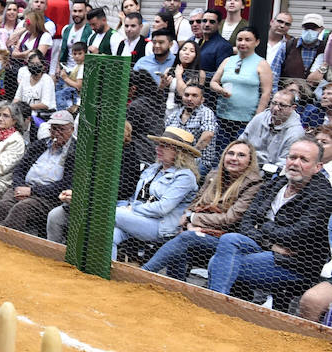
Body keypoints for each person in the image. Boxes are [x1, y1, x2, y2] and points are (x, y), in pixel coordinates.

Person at [204, 138, 332, 298]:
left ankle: (217, 302)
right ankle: (222, 302)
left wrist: (263, 226)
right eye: (292, 157)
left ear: (317, 167)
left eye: (303, 159)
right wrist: (270, 244)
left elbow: (296, 235)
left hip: (294, 264)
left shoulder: (323, 195)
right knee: (230, 239)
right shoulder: (276, 184)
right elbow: (246, 223)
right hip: (266, 248)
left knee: (218, 264)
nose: (295, 163)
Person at [142, 139, 264, 281]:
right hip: (198, 230)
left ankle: (145, 273)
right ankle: (176, 286)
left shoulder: (253, 184)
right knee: (180, 237)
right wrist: (189, 223)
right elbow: (194, 203)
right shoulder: (213, 175)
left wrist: (193, 219)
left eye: (241, 155)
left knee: (186, 238)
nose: (234, 158)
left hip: (226, 238)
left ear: (250, 161)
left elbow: (230, 219)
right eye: (230, 153)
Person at [111, 126, 200, 260]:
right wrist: (129, 207)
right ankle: (103, 275)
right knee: (108, 235)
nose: (158, 148)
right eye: (158, 144)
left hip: (160, 226)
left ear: (179, 152)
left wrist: (132, 208)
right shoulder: (154, 169)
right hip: (137, 218)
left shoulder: (185, 177)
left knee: (110, 213)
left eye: (164, 146)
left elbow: (162, 208)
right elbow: (137, 197)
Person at [0, 110, 75, 237]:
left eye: (61, 129)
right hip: (23, 188)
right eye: (53, 129)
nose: (56, 133)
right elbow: (20, 168)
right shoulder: (41, 144)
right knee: (4, 205)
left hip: (48, 197)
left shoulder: (75, 151)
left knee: (21, 209)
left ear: (72, 129)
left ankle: (0, 241)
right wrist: (19, 186)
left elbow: (65, 184)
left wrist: (32, 191)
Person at [210, 28, 273, 158]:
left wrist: (257, 118)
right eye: (240, 39)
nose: (243, 43)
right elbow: (213, 82)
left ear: (257, 42)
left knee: (240, 154)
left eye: (247, 40)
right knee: (221, 154)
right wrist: (220, 90)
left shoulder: (262, 64)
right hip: (223, 117)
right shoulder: (228, 61)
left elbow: (266, 93)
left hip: (246, 120)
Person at [240, 87, 305, 173]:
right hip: (245, 166)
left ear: (293, 108)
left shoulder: (295, 133)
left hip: (270, 175)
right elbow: (241, 142)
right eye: (274, 103)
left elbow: (284, 164)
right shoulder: (259, 118)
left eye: (282, 105)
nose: (275, 108)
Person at [166, 82, 219, 172]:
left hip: (198, 162)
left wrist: (190, 154)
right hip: (175, 160)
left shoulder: (206, 113)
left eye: (194, 96)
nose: (189, 99)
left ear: (202, 99)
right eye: (186, 95)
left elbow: (208, 135)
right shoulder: (174, 115)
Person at [271, 13, 328, 84]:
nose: (309, 31)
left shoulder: (326, 50)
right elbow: (274, 74)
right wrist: (274, 93)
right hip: (287, 93)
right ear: (302, 27)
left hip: (316, 93)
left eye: (313, 28)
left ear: (321, 29)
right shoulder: (287, 46)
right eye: (307, 27)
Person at [195, 9, 234, 74]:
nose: (207, 24)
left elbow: (220, 74)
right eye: (204, 21)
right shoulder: (196, 41)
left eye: (212, 22)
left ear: (219, 25)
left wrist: (201, 77)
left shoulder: (224, 46)